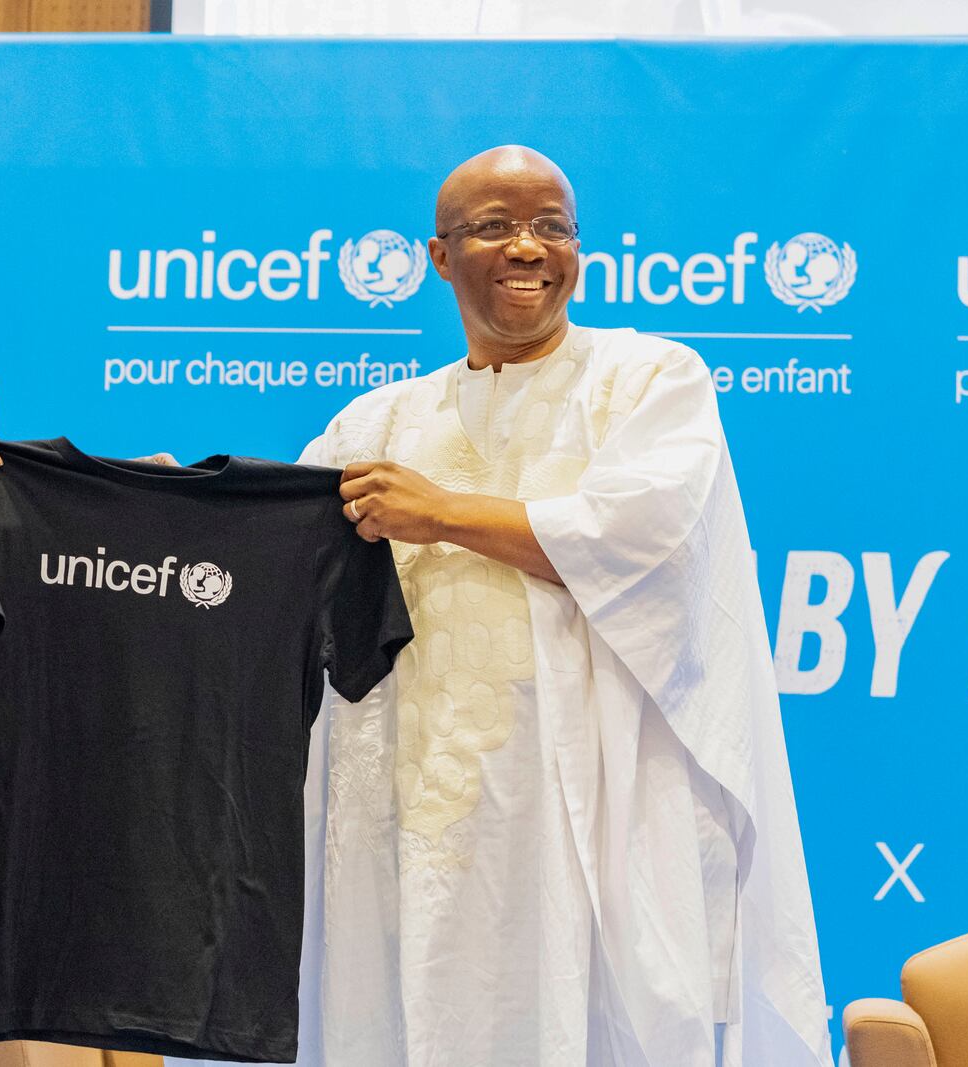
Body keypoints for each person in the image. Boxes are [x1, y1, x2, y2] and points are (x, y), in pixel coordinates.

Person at [299, 146, 831, 1066]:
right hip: (414, 817)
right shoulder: (375, 422)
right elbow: (276, 545)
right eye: (497, 226)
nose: (528, 248)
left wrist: (439, 513)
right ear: (439, 255)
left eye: (552, 226)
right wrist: (153, 506)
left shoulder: (648, 381)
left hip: (587, 820)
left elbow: (639, 537)